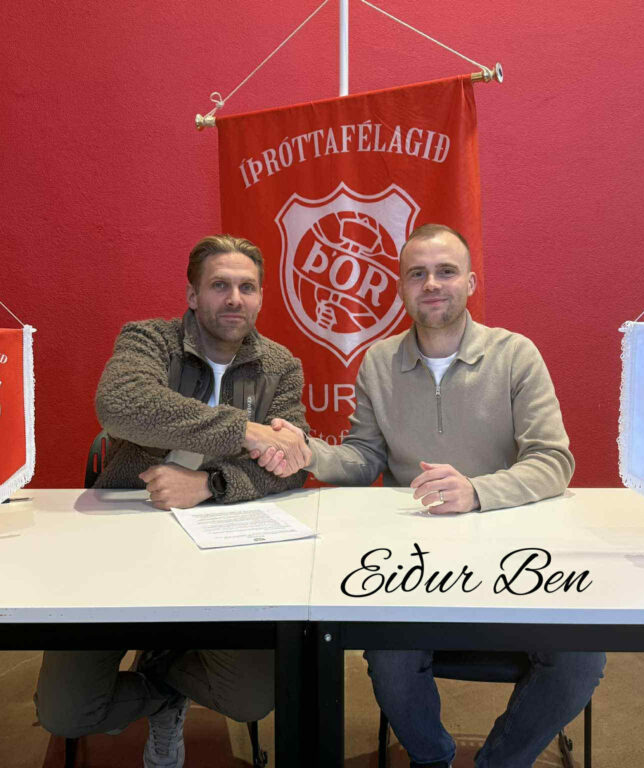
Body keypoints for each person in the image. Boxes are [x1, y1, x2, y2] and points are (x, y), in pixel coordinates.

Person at [255, 223, 605, 768]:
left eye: (445, 271)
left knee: (581, 659)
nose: (432, 284)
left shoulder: (516, 355)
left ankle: (499, 763)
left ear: (470, 282)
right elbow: (365, 457)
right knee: (388, 655)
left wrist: (477, 491)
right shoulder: (378, 362)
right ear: (401, 288)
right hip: (412, 560)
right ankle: (432, 758)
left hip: (512, 554)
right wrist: (309, 455)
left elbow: (553, 461)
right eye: (417, 274)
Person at [35, 234, 311, 768]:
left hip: (228, 552)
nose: (234, 298)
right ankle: (162, 694)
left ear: (260, 296)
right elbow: (121, 405)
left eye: (247, 287)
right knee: (65, 711)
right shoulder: (149, 339)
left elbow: (291, 467)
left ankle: (163, 663)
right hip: (122, 547)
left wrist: (210, 485)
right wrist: (245, 431)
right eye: (220, 285)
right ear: (192, 295)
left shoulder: (280, 366)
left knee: (250, 698)